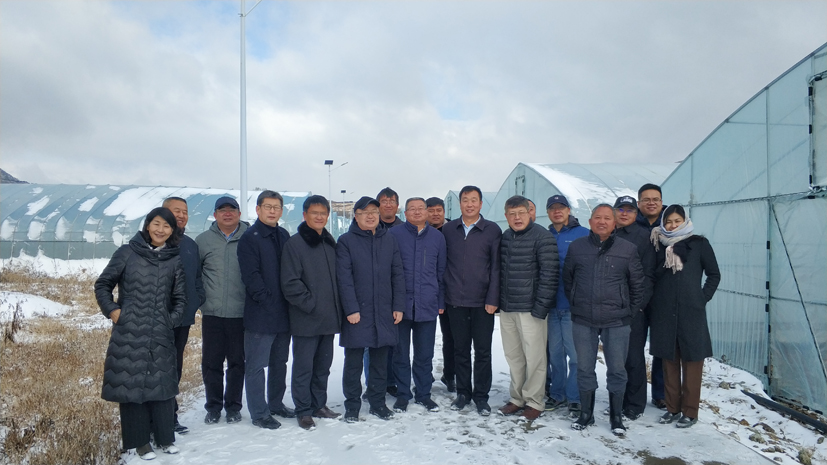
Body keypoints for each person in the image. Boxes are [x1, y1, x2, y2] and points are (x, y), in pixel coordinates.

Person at [95, 207, 185, 460]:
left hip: (160, 330)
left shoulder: (173, 259)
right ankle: (140, 442)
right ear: (147, 225)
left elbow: (180, 297)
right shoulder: (127, 252)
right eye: (156, 224)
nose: (161, 230)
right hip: (129, 330)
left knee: (162, 385)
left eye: (166, 226)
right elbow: (103, 284)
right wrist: (113, 311)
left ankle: (165, 438)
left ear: (172, 231)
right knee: (130, 384)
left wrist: (171, 320)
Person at [563, 204, 645, 436]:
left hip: (617, 320)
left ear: (614, 222)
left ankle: (616, 416)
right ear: (590, 222)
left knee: (617, 369)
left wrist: (628, 311)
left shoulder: (627, 249)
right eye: (597, 217)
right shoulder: (577, 247)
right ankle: (586, 413)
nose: (602, 222)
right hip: (583, 319)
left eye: (607, 218)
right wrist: (577, 303)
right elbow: (568, 279)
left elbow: (637, 284)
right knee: (584, 367)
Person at [650, 205, 720, 428]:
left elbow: (714, 274)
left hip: (691, 313)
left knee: (692, 363)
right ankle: (672, 408)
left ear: (685, 221)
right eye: (668, 221)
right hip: (664, 312)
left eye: (676, 221)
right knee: (669, 363)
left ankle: (690, 411)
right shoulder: (658, 244)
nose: (672, 225)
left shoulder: (699, 244)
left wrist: (701, 298)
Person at [337, 196, 406, 422]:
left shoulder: (389, 240)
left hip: (384, 310)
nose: (370, 216)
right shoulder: (346, 241)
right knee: (353, 363)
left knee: (379, 362)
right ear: (356, 216)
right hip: (357, 312)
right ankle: (352, 406)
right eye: (365, 212)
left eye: (374, 212)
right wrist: (351, 309)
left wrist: (398, 305)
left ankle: (378, 403)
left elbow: (397, 274)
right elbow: (344, 279)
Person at [281, 195, 343, 430]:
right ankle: (304, 409)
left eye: (323, 213)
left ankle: (319, 404)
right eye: (314, 213)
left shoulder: (329, 242)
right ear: (304, 215)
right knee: (304, 367)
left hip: (328, 318)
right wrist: (311, 305)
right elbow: (290, 283)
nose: (319, 217)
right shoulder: (295, 244)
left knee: (322, 366)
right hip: (306, 318)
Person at [236, 191, 294, 430]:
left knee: (280, 362)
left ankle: (276, 404)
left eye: (276, 207)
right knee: (256, 365)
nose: (272, 211)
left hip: (284, 312)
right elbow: (251, 277)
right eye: (267, 206)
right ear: (258, 209)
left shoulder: (283, 235)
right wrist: (268, 302)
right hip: (261, 313)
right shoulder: (250, 238)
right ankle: (259, 412)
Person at [442, 185, 502, 416]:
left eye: (474, 200)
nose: (469, 204)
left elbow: (496, 267)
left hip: (483, 302)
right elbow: (443, 265)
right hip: (455, 301)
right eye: (465, 200)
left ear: (480, 203)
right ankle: (463, 393)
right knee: (460, 350)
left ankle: (481, 396)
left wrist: (493, 298)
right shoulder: (449, 229)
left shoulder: (492, 230)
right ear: (460, 204)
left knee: (483, 351)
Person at [497, 196, 558, 421]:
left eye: (521, 213)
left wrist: (540, 307)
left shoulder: (542, 237)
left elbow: (550, 274)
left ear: (530, 212)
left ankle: (534, 401)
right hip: (508, 307)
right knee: (514, 356)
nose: (517, 218)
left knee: (535, 357)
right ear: (506, 216)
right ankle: (517, 398)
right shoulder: (506, 237)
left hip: (531, 309)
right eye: (512, 214)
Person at [389, 197, 446, 413]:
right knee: (400, 354)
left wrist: (440, 300)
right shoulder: (394, 235)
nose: (416, 212)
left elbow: (441, 272)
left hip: (428, 304)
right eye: (411, 209)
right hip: (400, 306)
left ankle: (424, 394)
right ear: (405, 213)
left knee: (424, 355)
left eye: (420, 208)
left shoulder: (437, 237)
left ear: (427, 212)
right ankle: (403, 394)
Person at [196, 196, 249, 425]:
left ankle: (234, 407)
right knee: (212, 362)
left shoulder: (250, 238)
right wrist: (203, 301)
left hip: (241, 312)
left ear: (239, 213)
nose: (227, 214)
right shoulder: (203, 241)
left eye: (232, 210)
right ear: (215, 214)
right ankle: (213, 407)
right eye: (222, 210)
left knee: (237, 362)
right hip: (213, 313)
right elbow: (195, 275)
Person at [161, 197, 205, 435]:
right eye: (175, 210)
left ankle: (170, 415)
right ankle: (152, 419)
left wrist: (197, 299)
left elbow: (197, 277)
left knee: (174, 368)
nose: (181, 215)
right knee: (155, 369)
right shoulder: (153, 243)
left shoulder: (189, 245)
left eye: (184, 212)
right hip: (156, 319)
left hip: (183, 318)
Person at [544, 194, 588, 417]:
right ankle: (557, 394)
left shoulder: (583, 234)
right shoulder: (545, 235)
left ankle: (575, 397)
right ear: (548, 213)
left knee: (576, 356)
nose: (557, 211)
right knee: (555, 355)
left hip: (573, 307)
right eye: (553, 208)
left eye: (561, 207)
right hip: (551, 306)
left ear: (569, 210)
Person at [612, 195, 656, 421]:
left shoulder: (643, 236)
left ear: (635, 213)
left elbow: (649, 274)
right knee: (616, 357)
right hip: (610, 306)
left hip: (633, 307)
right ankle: (618, 399)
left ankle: (635, 404)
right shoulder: (608, 233)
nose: (624, 213)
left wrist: (639, 305)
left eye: (629, 210)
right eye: (621, 209)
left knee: (633, 357)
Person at [368, 187, 403, 396]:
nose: (388, 204)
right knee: (370, 343)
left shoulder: (403, 229)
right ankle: (372, 384)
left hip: (393, 294)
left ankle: (391, 382)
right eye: (384, 200)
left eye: (392, 201)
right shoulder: (369, 226)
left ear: (397, 206)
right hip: (370, 296)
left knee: (393, 344)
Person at [636, 183, 667, 410]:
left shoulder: (670, 224)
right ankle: (635, 393)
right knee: (634, 348)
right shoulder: (630, 224)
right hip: (637, 295)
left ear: (661, 202)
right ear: (639, 203)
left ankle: (661, 393)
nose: (651, 203)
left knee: (662, 347)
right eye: (646, 199)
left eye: (655, 199)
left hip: (663, 295)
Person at [426, 196, 455, 392]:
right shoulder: (420, 231)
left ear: (444, 212)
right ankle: (424, 375)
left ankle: (450, 375)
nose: (435, 214)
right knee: (424, 338)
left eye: (439, 210)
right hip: (426, 292)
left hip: (450, 292)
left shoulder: (453, 231)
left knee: (450, 337)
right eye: (431, 210)